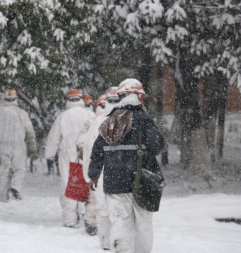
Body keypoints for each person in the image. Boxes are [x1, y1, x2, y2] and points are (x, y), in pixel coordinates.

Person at [88, 79, 165, 253]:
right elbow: (158, 146)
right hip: (141, 182)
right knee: (143, 225)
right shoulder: (144, 119)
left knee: (120, 222)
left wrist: (93, 175)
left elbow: (97, 151)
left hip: (114, 183)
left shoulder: (109, 121)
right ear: (138, 97)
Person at [76, 88, 120, 244]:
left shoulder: (97, 122)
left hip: (102, 172)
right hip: (124, 173)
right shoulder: (131, 119)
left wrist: (89, 173)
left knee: (101, 207)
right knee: (120, 209)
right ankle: (118, 240)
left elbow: (88, 148)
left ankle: (106, 240)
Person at [45, 89, 94, 227]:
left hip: (68, 152)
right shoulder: (90, 115)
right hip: (87, 152)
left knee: (69, 184)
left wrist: (49, 155)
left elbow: (53, 138)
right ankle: (86, 214)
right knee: (85, 182)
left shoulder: (63, 116)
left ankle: (70, 219)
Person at [0, 89, 37, 202]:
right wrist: (32, 145)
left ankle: (2, 196)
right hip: (19, 144)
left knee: (4, 170)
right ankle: (15, 187)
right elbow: (30, 131)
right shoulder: (22, 113)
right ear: (16, 99)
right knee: (20, 169)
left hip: (2, 145)